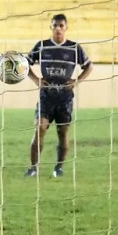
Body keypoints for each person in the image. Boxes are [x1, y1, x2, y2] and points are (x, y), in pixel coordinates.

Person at [24, 14, 93, 178]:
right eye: (55, 25)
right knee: (39, 128)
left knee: (63, 132)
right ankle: (33, 168)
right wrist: (36, 79)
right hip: (46, 97)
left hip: (64, 98)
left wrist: (76, 82)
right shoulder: (42, 46)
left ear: (66, 27)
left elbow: (89, 67)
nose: (58, 28)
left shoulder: (74, 48)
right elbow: (24, 63)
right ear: (51, 28)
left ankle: (58, 168)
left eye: (61, 25)